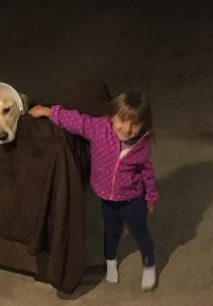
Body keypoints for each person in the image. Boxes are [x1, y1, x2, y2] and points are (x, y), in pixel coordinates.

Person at [28, 92, 159, 290]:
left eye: (135, 124)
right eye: (122, 121)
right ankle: (110, 262)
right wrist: (49, 112)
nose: (127, 129)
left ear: (144, 125)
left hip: (132, 200)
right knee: (111, 232)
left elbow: (146, 172)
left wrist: (150, 196)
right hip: (107, 199)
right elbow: (77, 121)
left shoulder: (142, 146)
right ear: (112, 116)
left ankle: (149, 265)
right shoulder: (98, 128)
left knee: (141, 233)